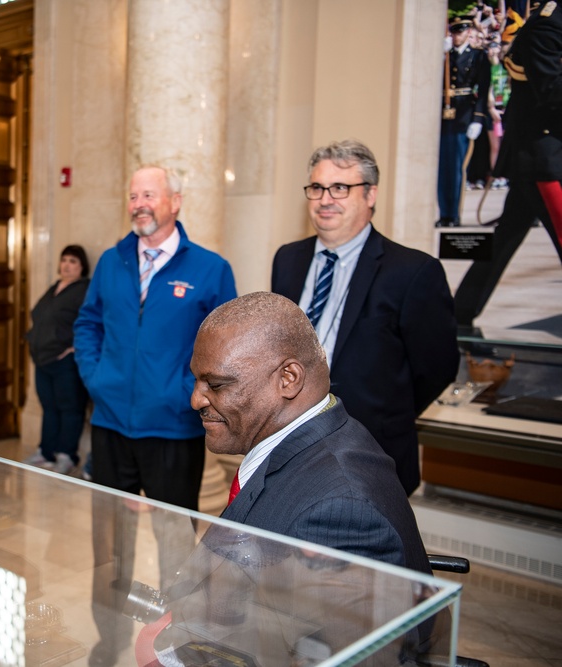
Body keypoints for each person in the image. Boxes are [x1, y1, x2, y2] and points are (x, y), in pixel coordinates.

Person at [73, 164, 237, 666]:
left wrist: (188, 393)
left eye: (150, 194)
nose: (139, 202)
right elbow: (88, 324)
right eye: (133, 194)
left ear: (175, 202)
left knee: (175, 547)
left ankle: (175, 643)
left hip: (173, 429)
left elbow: (226, 349)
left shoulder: (210, 269)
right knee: (109, 548)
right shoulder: (110, 261)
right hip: (110, 426)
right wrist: (97, 378)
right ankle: (110, 639)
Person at [191, 292, 432, 572]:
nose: (196, 400)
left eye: (217, 384)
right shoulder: (310, 440)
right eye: (196, 380)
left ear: (288, 379)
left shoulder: (340, 512)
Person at [271, 139, 459, 495]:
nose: (326, 199)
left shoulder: (413, 271)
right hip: (289, 450)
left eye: (340, 188)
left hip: (371, 454)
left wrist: (387, 412)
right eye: (317, 187)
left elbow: (436, 368)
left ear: (370, 195)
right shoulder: (287, 260)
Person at [453, 0, 562, 329]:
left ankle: (457, 315)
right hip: (545, 159)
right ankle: (455, 318)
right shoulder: (549, 23)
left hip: (540, 157)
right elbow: (552, 90)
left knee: (502, 242)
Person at [24, 245, 91, 475]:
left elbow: (91, 322)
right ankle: (46, 451)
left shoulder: (84, 289)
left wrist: (73, 347)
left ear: (82, 267)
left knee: (70, 408)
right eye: (64, 260)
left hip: (65, 362)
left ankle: (67, 455)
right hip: (44, 359)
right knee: (49, 407)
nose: (67, 265)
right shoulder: (55, 287)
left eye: (73, 261)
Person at [436, 16, 491, 227]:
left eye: (460, 32)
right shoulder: (444, 56)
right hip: (443, 116)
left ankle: (455, 214)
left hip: (463, 116)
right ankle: (444, 214)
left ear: (468, 32)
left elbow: (483, 91)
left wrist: (478, 118)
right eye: (454, 32)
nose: (457, 36)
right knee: (442, 169)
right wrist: (440, 57)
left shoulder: (478, 57)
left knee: (457, 167)